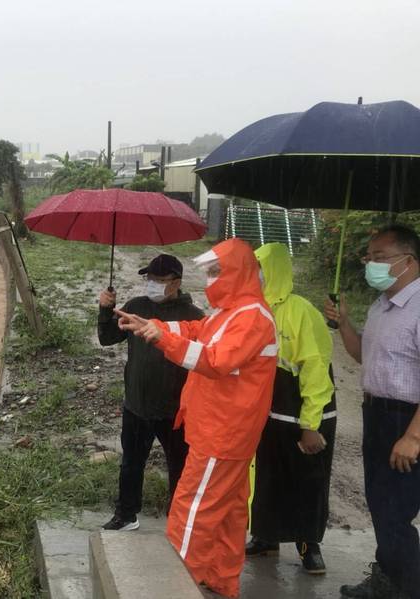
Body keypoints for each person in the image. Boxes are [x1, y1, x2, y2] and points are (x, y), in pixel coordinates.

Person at [116, 237, 278, 598]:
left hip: (222, 433)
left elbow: (216, 361)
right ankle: (221, 578)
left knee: (192, 510)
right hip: (221, 430)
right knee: (230, 511)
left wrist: (162, 339)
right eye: (209, 273)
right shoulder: (230, 313)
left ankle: (175, 586)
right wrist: (154, 326)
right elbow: (195, 331)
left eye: (217, 272)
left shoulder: (252, 317)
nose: (210, 280)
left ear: (238, 273)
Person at [325, 224, 420, 599]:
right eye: (369, 257)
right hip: (376, 414)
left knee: (395, 514)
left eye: (380, 257)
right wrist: (345, 323)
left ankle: (409, 588)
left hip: (406, 419)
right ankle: (387, 576)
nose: (371, 264)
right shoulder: (383, 305)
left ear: (408, 260)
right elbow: (365, 356)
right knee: (380, 505)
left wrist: (413, 436)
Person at [247, 242, 336, 574]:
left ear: (274, 272)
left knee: (307, 479)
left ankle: (309, 544)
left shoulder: (302, 312)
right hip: (270, 414)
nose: (252, 276)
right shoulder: (254, 310)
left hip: (306, 416)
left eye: (258, 269)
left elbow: (315, 370)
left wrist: (310, 424)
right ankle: (265, 536)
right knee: (267, 477)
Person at [98, 254, 204, 531]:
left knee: (180, 468)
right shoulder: (136, 306)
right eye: (150, 279)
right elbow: (107, 338)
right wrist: (105, 310)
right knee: (131, 464)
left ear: (176, 283)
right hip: (137, 405)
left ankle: (178, 521)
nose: (153, 285)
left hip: (176, 411)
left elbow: (205, 359)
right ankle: (126, 514)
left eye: (160, 280)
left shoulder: (194, 317)